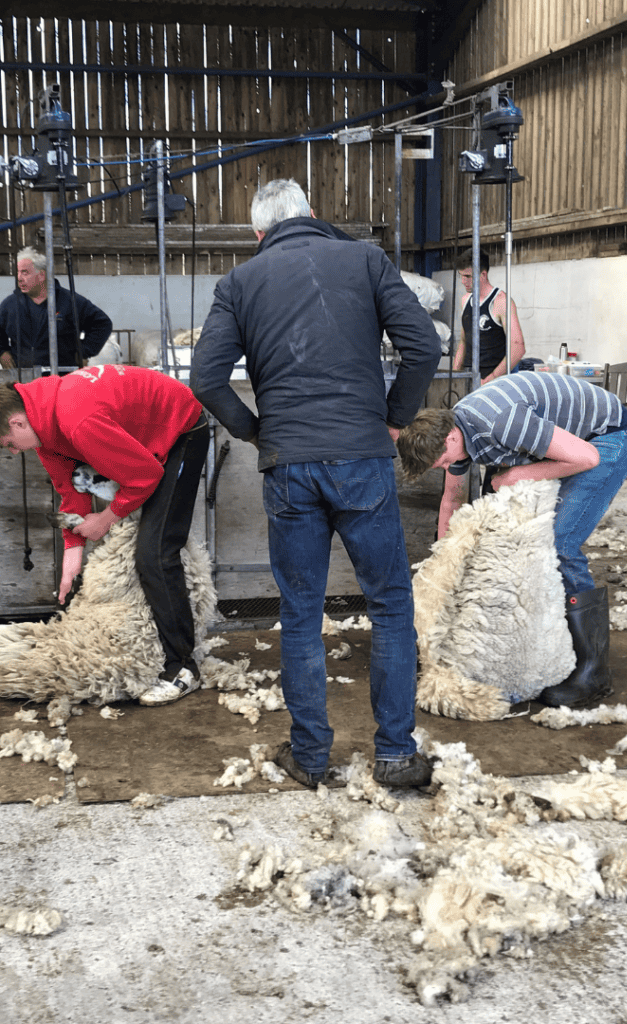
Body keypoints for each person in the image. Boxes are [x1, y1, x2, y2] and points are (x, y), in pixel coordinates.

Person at [190, 178, 441, 789]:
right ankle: (395, 754)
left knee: (300, 613)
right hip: (361, 458)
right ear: (312, 214)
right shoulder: (364, 259)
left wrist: (257, 432)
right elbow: (424, 349)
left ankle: (309, 757)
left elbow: (205, 379)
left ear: (259, 233)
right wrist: (393, 419)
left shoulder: (240, 282)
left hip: (289, 464)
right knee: (389, 605)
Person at [0, 364, 209, 705]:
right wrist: (72, 556)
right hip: (146, 438)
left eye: (8, 443)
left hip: (182, 427)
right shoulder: (43, 428)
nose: (13, 451)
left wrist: (106, 519)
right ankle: (159, 646)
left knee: (156, 552)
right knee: (144, 542)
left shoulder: (75, 419)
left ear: (17, 422)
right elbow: (71, 493)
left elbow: (145, 475)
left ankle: (184, 668)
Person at [395, 373, 627, 709]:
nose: (445, 467)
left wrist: (517, 474)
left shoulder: (499, 422)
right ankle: (546, 647)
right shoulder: (459, 432)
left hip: (605, 440)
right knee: (508, 538)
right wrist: (447, 559)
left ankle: (594, 672)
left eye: (444, 462)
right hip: (571, 443)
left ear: (450, 438)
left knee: (558, 543)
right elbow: (453, 499)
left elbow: (586, 458)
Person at [0, 248, 113, 369]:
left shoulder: (69, 301)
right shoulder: (12, 303)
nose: (19, 278)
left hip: (62, 376)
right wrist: (1, 351)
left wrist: (84, 352)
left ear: (42, 275)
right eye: (18, 272)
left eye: (25, 272)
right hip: (25, 377)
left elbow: (102, 323)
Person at [452, 248, 526, 385]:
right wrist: (454, 377)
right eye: (460, 275)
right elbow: (463, 341)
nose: (463, 281)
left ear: (483, 275)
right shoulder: (465, 300)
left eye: (468, 276)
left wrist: (489, 380)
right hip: (469, 377)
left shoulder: (501, 302)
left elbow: (518, 349)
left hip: (493, 380)